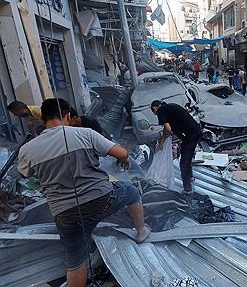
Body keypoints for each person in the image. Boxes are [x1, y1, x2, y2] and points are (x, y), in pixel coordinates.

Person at [17, 98, 149, 287]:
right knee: (131, 191)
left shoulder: (27, 150)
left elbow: (24, 174)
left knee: (76, 262)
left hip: (65, 214)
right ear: (68, 116)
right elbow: (122, 153)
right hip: (102, 200)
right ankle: (142, 231)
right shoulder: (86, 134)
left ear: (42, 120)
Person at [151, 101, 201, 194]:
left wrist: (163, 142)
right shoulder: (169, 107)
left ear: (155, 108)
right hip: (195, 132)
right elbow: (166, 129)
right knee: (187, 156)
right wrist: (162, 143)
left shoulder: (161, 110)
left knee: (184, 162)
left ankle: (187, 189)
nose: (156, 115)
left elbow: (168, 129)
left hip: (190, 136)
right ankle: (190, 177)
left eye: (154, 113)